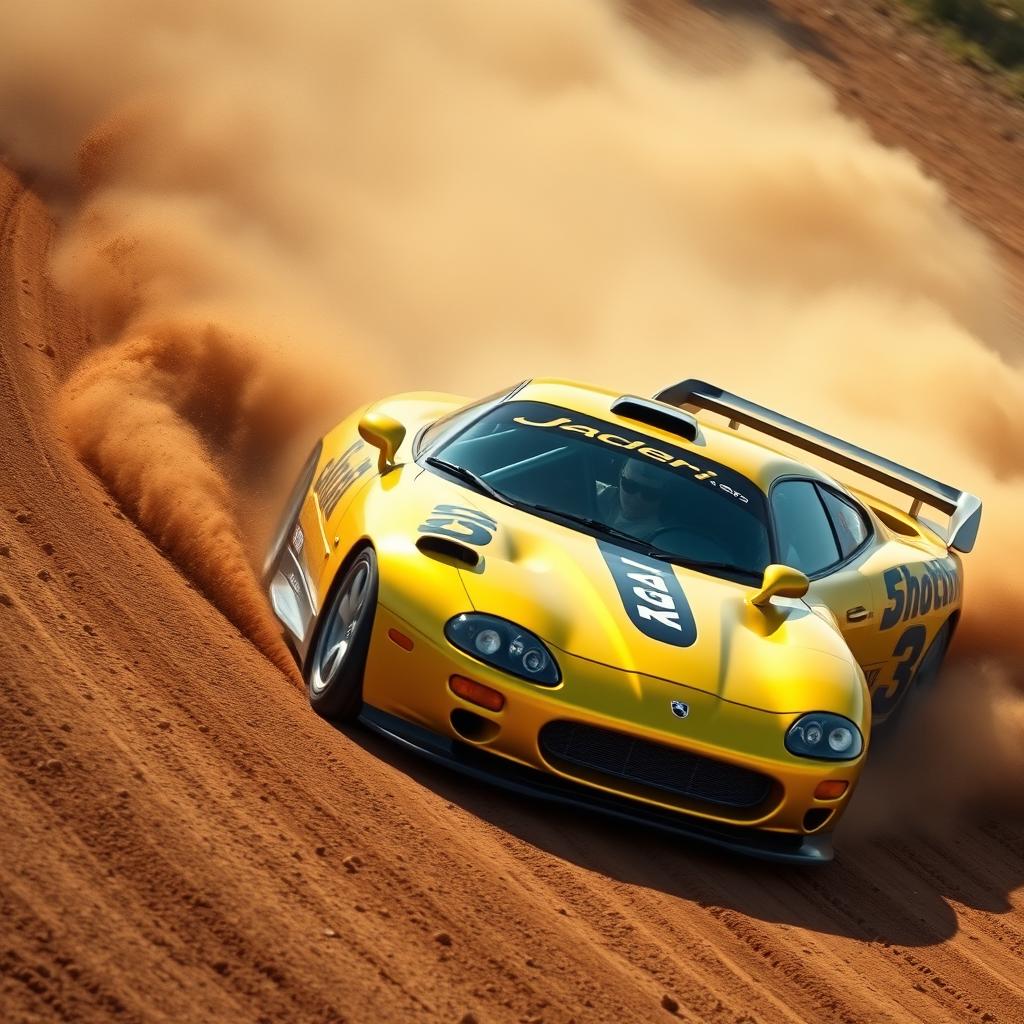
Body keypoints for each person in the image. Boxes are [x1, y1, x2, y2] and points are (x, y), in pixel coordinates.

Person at [597, 458, 668, 541]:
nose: (637, 497)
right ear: (620, 476)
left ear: (663, 495)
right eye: (630, 485)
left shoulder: (657, 538)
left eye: (649, 493)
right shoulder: (598, 494)